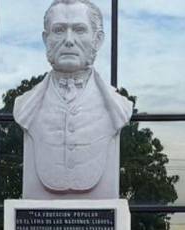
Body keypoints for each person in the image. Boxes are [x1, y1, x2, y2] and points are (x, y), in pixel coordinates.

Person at [14, 0, 133, 199]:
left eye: (79, 30)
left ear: (97, 40)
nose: (69, 40)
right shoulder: (24, 107)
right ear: (46, 39)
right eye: (59, 30)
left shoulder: (119, 107)